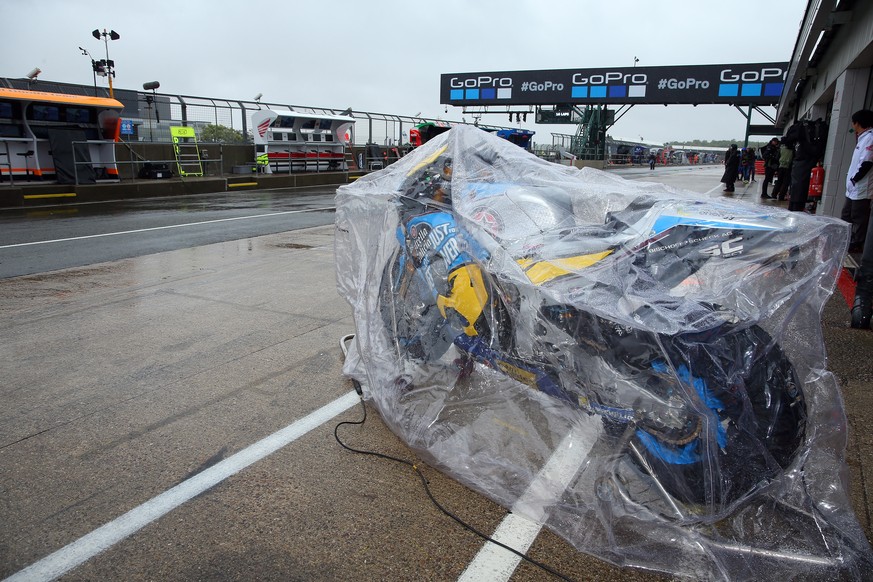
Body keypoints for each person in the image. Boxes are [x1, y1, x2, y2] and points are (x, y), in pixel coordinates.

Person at [846, 110, 873, 328]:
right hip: (853, 189)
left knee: (859, 222)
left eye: (853, 122)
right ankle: (849, 247)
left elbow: (866, 163)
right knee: (849, 217)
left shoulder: (870, 138)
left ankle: (856, 257)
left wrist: (855, 179)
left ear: (858, 123)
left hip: (861, 190)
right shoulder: (861, 138)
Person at [785, 117, 829, 212]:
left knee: (796, 194)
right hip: (804, 167)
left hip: (798, 168)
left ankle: (794, 210)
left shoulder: (800, 141)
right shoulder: (807, 141)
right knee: (799, 193)